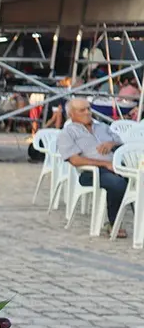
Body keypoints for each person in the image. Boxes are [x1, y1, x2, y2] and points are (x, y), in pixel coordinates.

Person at [57, 98, 129, 236]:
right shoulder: (67, 133)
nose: (88, 112)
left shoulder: (102, 127)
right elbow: (75, 160)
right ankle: (114, 223)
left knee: (138, 182)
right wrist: (105, 164)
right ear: (71, 114)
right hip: (92, 172)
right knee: (118, 184)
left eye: (88, 108)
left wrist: (111, 144)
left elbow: (122, 144)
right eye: (82, 110)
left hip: (117, 165)